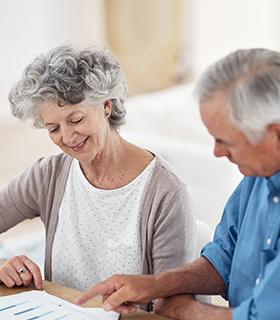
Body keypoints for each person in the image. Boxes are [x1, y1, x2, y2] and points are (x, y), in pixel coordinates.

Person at [76, 47, 280, 320]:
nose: (217, 152)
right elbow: (224, 260)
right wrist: (154, 285)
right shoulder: (258, 175)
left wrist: (185, 310)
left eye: (226, 141)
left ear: (275, 136)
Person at [0, 42, 196, 311]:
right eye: (53, 128)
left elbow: (173, 304)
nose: (67, 138)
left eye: (76, 119)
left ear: (106, 104)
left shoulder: (165, 192)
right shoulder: (47, 175)